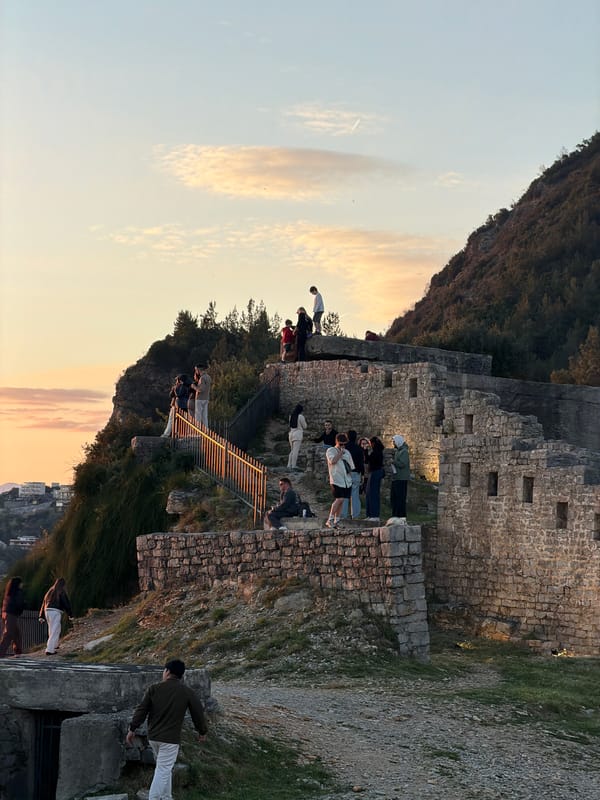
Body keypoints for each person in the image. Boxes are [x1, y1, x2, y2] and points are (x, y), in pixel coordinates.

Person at [126, 658, 208, 800]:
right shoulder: (187, 692)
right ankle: (154, 797)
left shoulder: (154, 689)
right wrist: (202, 731)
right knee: (163, 770)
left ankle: (166, 797)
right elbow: (198, 713)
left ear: (167, 672)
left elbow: (141, 710)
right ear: (181, 675)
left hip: (153, 738)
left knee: (164, 769)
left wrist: (132, 729)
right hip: (170, 740)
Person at [325, 433, 354, 529]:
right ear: (337, 442)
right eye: (341, 444)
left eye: (345, 444)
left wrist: (351, 478)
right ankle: (330, 519)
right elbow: (332, 461)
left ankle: (337, 520)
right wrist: (340, 453)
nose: (343, 446)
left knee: (342, 500)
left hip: (346, 480)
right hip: (336, 479)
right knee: (339, 499)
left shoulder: (347, 452)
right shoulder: (331, 450)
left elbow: (351, 466)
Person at [39, 577, 73, 655]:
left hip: (47, 611)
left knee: (52, 629)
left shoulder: (50, 591)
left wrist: (41, 616)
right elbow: (66, 604)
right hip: (56, 612)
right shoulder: (61, 591)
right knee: (55, 630)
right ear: (63, 585)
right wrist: (70, 614)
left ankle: (55, 645)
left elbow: (44, 603)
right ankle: (49, 649)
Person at [0, 576, 25, 657]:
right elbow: (19, 604)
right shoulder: (18, 592)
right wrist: (23, 606)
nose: (22, 585)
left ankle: (18, 652)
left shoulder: (9, 593)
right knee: (8, 634)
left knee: (16, 634)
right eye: (21, 583)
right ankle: (1, 652)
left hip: (6, 614)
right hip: (11, 615)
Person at [343, 430, 365, 519]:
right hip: (356, 472)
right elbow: (361, 463)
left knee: (345, 495)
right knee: (355, 495)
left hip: (346, 473)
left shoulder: (344, 448)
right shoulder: (359, 449)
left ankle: (343, 515)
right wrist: (362, 474)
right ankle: (355, 515)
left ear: (347, 437)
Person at [365, 436, 385, 520]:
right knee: (369, 493)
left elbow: (369, 460)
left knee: (373, 493)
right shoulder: (376, 451)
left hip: (375, 473)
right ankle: (370, 514)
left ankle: (375, 515)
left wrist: (365, 450)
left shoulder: (377, 452)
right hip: (373, 472)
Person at [390, 435, 410, 519]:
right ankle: (395, 515)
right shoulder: (398, 451)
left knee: (400, 498)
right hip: (396, 477)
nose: (393, 443)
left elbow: (403, 464)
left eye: (394, 442)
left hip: (402, 478)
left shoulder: (404, 452)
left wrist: (394, 462)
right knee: (394, 497)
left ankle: (401, 516)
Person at [287, 404, 307, 470]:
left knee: (292, 450)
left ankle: (289, 464)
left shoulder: (291, 416)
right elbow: (305, 426)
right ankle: (293, 465)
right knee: (295, 450)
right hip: (297, 434)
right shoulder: (300, 416)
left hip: (291, 434)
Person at [192, 364, 211, 428]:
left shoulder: (202, 378)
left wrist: (194, 387)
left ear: (198, 370)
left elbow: (201, 389)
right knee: (205, 416)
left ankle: (197, 430)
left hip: (200, 399)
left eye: (196, 370)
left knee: (198, 415)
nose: (196, 372)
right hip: (206, 398)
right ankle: (206, 430)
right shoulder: (208, 377)